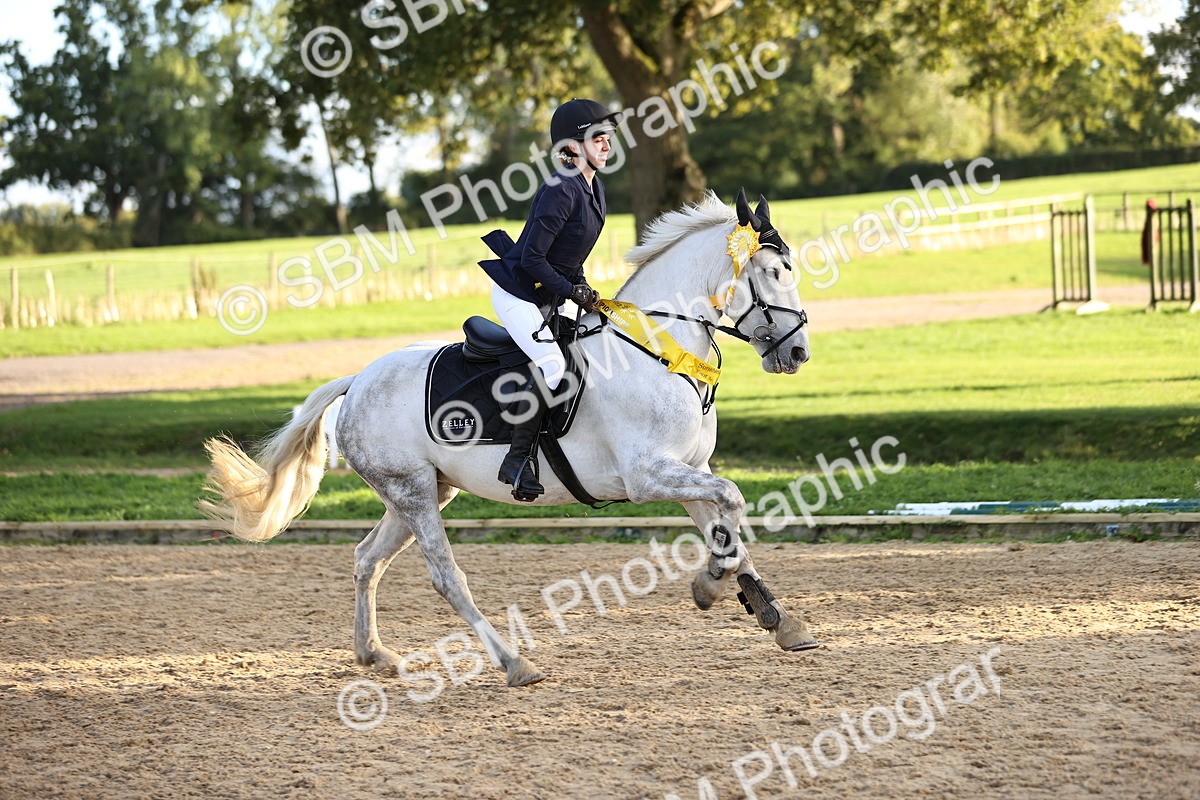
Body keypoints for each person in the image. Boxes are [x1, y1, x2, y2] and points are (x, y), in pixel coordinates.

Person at [477, 98, 619, 501]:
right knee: (554, 364)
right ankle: (517, 460)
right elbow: (534, 258)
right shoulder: (561, 189)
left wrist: (585, 289)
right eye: (599, 138)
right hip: (519, 293)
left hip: (551, 291)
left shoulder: (594, 188)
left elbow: (570, 256)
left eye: (608, 138)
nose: (607, 145)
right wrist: (572, 291)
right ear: (573, 145)